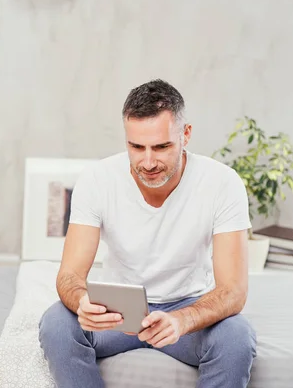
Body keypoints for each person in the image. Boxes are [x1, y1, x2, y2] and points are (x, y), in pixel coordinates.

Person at [38, 79, 257, 388]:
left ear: (186, 135)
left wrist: (182, 320)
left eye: (162, 146)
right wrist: (82, 302)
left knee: (237, 337)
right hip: (118, 311)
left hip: (188, 307)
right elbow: (69, 276)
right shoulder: (97, 180)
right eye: (136, 147)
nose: (148, 161)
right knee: (57, 324)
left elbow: (234, 291)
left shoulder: (222, 183)